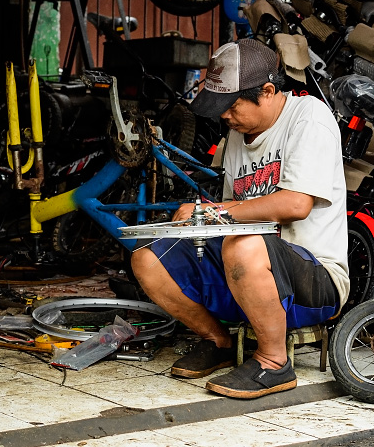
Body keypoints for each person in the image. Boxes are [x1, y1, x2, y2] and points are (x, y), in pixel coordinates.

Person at [130, 38, 349, 399]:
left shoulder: (310, 117)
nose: (224, 117)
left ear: (266, 90)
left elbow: (297, 204)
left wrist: (216, 212)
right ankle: (218, 341)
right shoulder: (237, 136)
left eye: (230, 106)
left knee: (244, 246)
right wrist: (201, 219)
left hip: (315, 280)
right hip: (248, 273)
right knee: (148, 257)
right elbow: (235, 210)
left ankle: (274, 362)